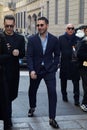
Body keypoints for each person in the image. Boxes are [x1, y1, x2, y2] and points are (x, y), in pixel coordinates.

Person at [27, 17, 60, 129]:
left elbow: (57, 55)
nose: (39, 27)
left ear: (47, 25)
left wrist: (54, 67)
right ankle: (32, 107)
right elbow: (29, 56)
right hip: (35, 70)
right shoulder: (32, 40)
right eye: (38, 25)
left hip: (49, 70)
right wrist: (31, 70)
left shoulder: (54, 39)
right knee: (32, 90)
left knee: (52, 93)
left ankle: (52, 118)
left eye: (42, 25)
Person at [3, 15, 25, 126]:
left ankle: (8, 115)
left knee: (11, 95)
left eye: (11, 26)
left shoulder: (20, 38)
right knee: (5, 96)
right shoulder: (0, 37)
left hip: (13, 72)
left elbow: (23, 53)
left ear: (14, 25)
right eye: (7, 26)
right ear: (4, 25)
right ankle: (7, 120)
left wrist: (19, 53)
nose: (9, 28)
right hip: (2, 72)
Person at [58, 23, 80, 106]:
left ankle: (76, 99)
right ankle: (64, 95)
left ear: (74, 30)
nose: (70, 30)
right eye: (69, 28)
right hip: (64, 63)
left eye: (72, 28)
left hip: (74, 64)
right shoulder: (61, 38)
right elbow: (57, 51)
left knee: (76, 82)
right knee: (63, 81)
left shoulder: (78, 39)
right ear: (66, 29)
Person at [0, 32, 11, 130]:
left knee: (4, 102)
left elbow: (7, 55)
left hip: (0, 76)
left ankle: (7, 124)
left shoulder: (1, 37)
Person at [77, 26, 87, 112]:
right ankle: (84, 103)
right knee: (86, 85)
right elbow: (79, 54)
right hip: (84, 67)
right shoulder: (83, 42)